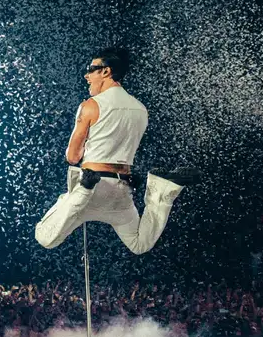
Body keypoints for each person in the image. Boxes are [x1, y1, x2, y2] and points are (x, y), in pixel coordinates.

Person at [34, 47, 193, 254]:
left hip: (93, 187)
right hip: (121, 190)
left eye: (91, 69)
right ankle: (162, 191)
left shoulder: (90, 105)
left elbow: (72, 157)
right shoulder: (140, 109)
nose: (87, 75)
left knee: (44, 237)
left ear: (106, 72)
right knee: (139, 245)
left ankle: (83, 190)